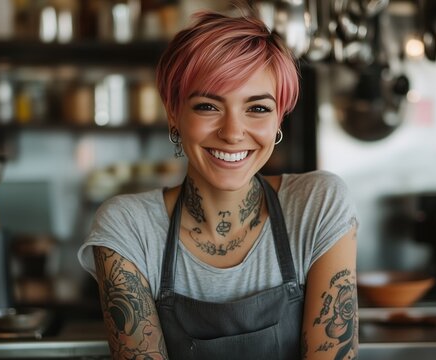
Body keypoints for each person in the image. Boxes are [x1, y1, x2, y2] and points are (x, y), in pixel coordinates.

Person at [78, 8, 358, 360]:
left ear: (278, 119)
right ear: (173, 114)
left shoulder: (318, 205)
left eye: (257, 109)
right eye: (208, 106)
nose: (232, 133)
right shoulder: (128, 227)